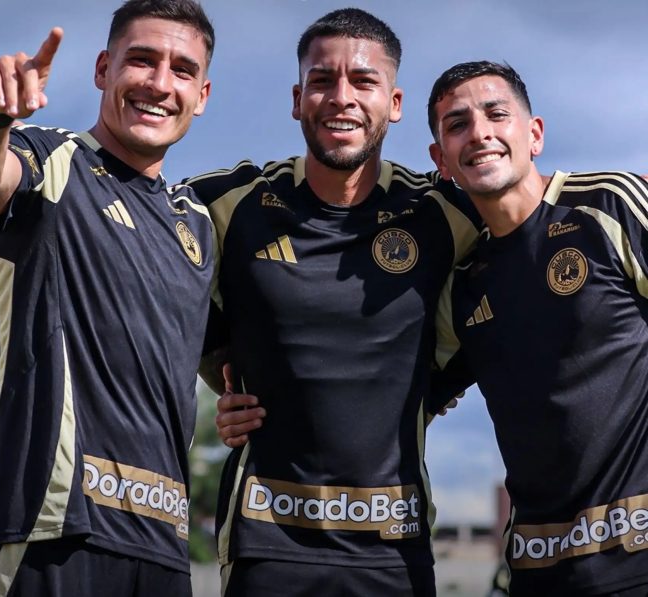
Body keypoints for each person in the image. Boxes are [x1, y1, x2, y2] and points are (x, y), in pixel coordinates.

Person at [192, 8, 480, 596]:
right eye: (322, 81)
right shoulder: (230, 204)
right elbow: (146, 268)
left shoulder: (444, 214)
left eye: (363, 81)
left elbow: (526, 265)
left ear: (394, 104)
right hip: (266, 539)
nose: (341, 97)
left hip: (394, 545)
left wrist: (430, 392)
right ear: (298, 99)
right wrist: (223, 373)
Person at [0, 1, 216, 595]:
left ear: (201, 95)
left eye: (181, 69)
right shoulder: (53, 159)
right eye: (141, 60)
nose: (159, 83)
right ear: (103, 69)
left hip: (164, 544)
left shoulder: (198, 223)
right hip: (51, 530)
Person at [427, 61, 648, 595]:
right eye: (457, 124)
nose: (479, 133)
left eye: (496, 114)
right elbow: (387, 394)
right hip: (539, 571)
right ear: (441, 161)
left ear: (535, 134)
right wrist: (245, 399)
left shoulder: (611, 205)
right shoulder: (463, 283)